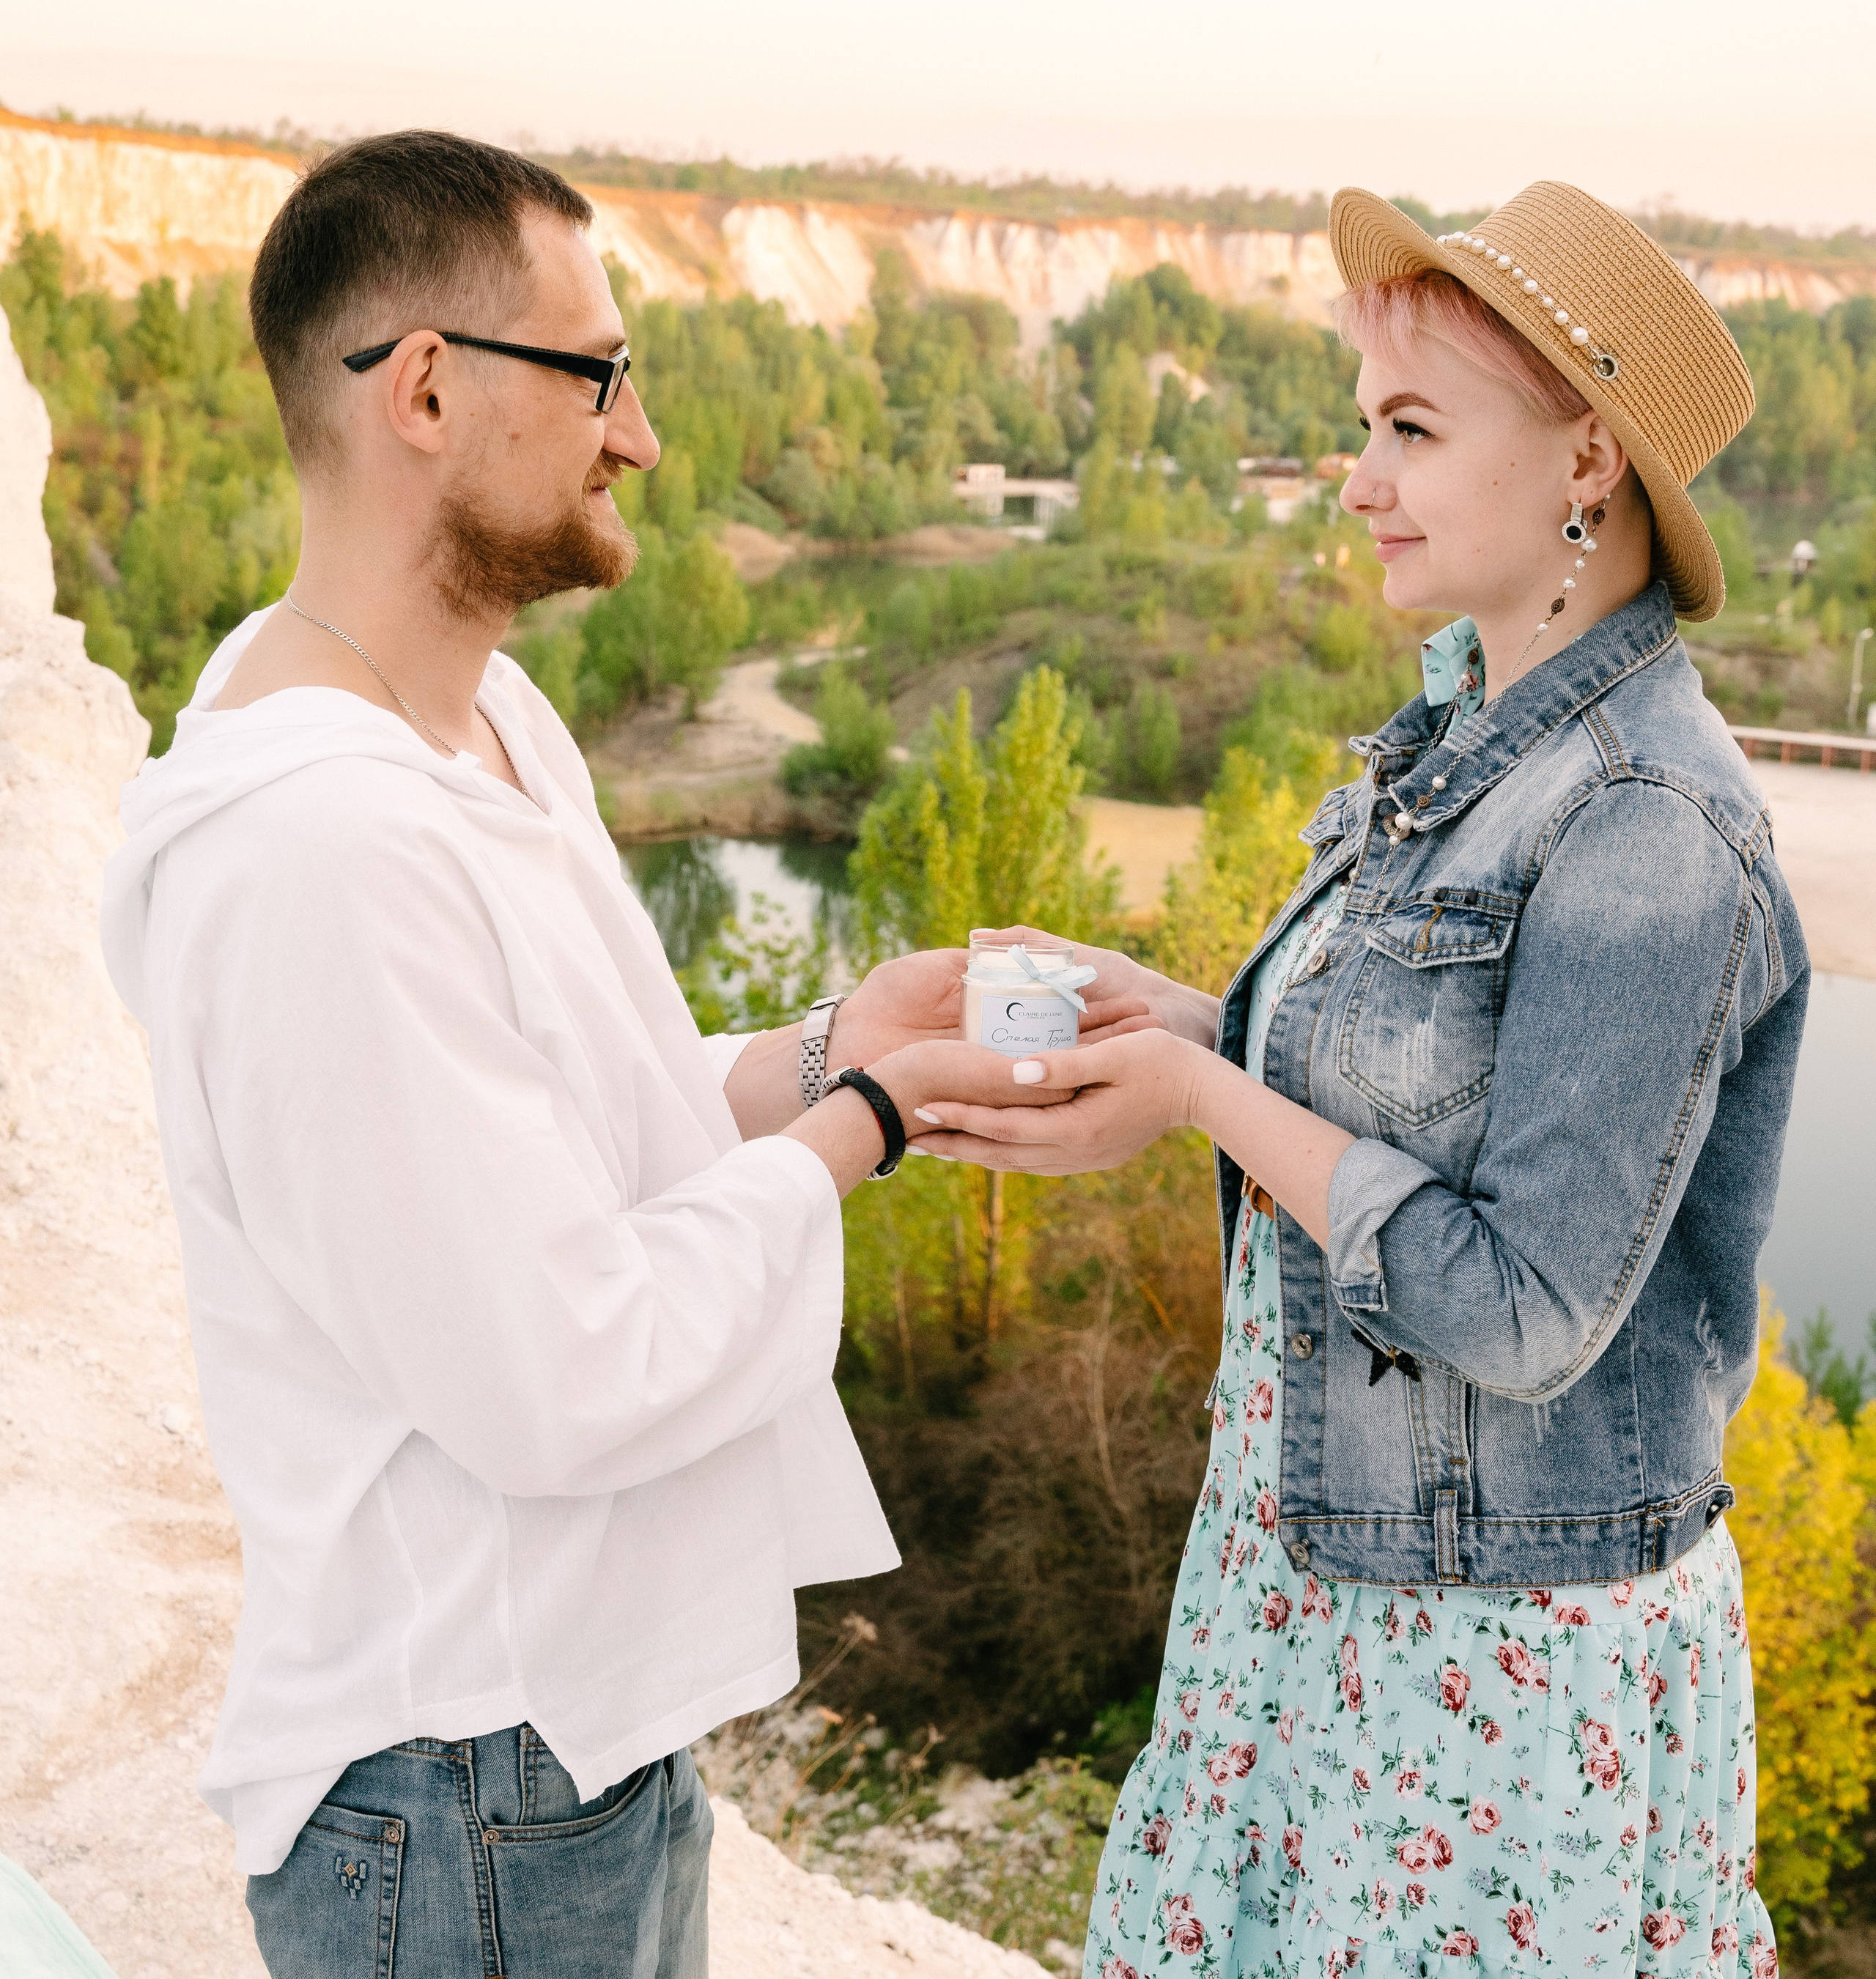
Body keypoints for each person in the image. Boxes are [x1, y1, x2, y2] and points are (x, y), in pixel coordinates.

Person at [97, 132, 1063, 1978]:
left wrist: (833, 1041)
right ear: (432, 387)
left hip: (565, 1749)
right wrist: (867, 1125)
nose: (638, 435)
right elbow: (558, 1368)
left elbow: (587, 1120)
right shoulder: (322, 843)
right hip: (457, 1783)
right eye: (600, 372)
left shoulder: (482, 722)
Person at [913, 182, 1806, 1978]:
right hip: (1314, 1593)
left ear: (1583, 463)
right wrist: (1167, 1013)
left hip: (1492, 1682)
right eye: (1360, 428)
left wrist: (1195, 1091)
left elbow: (1528, 1302)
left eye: (1407, 429)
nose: (1354, 477)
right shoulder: (1469, 736)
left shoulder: (1647, 827)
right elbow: (1397, 1093)